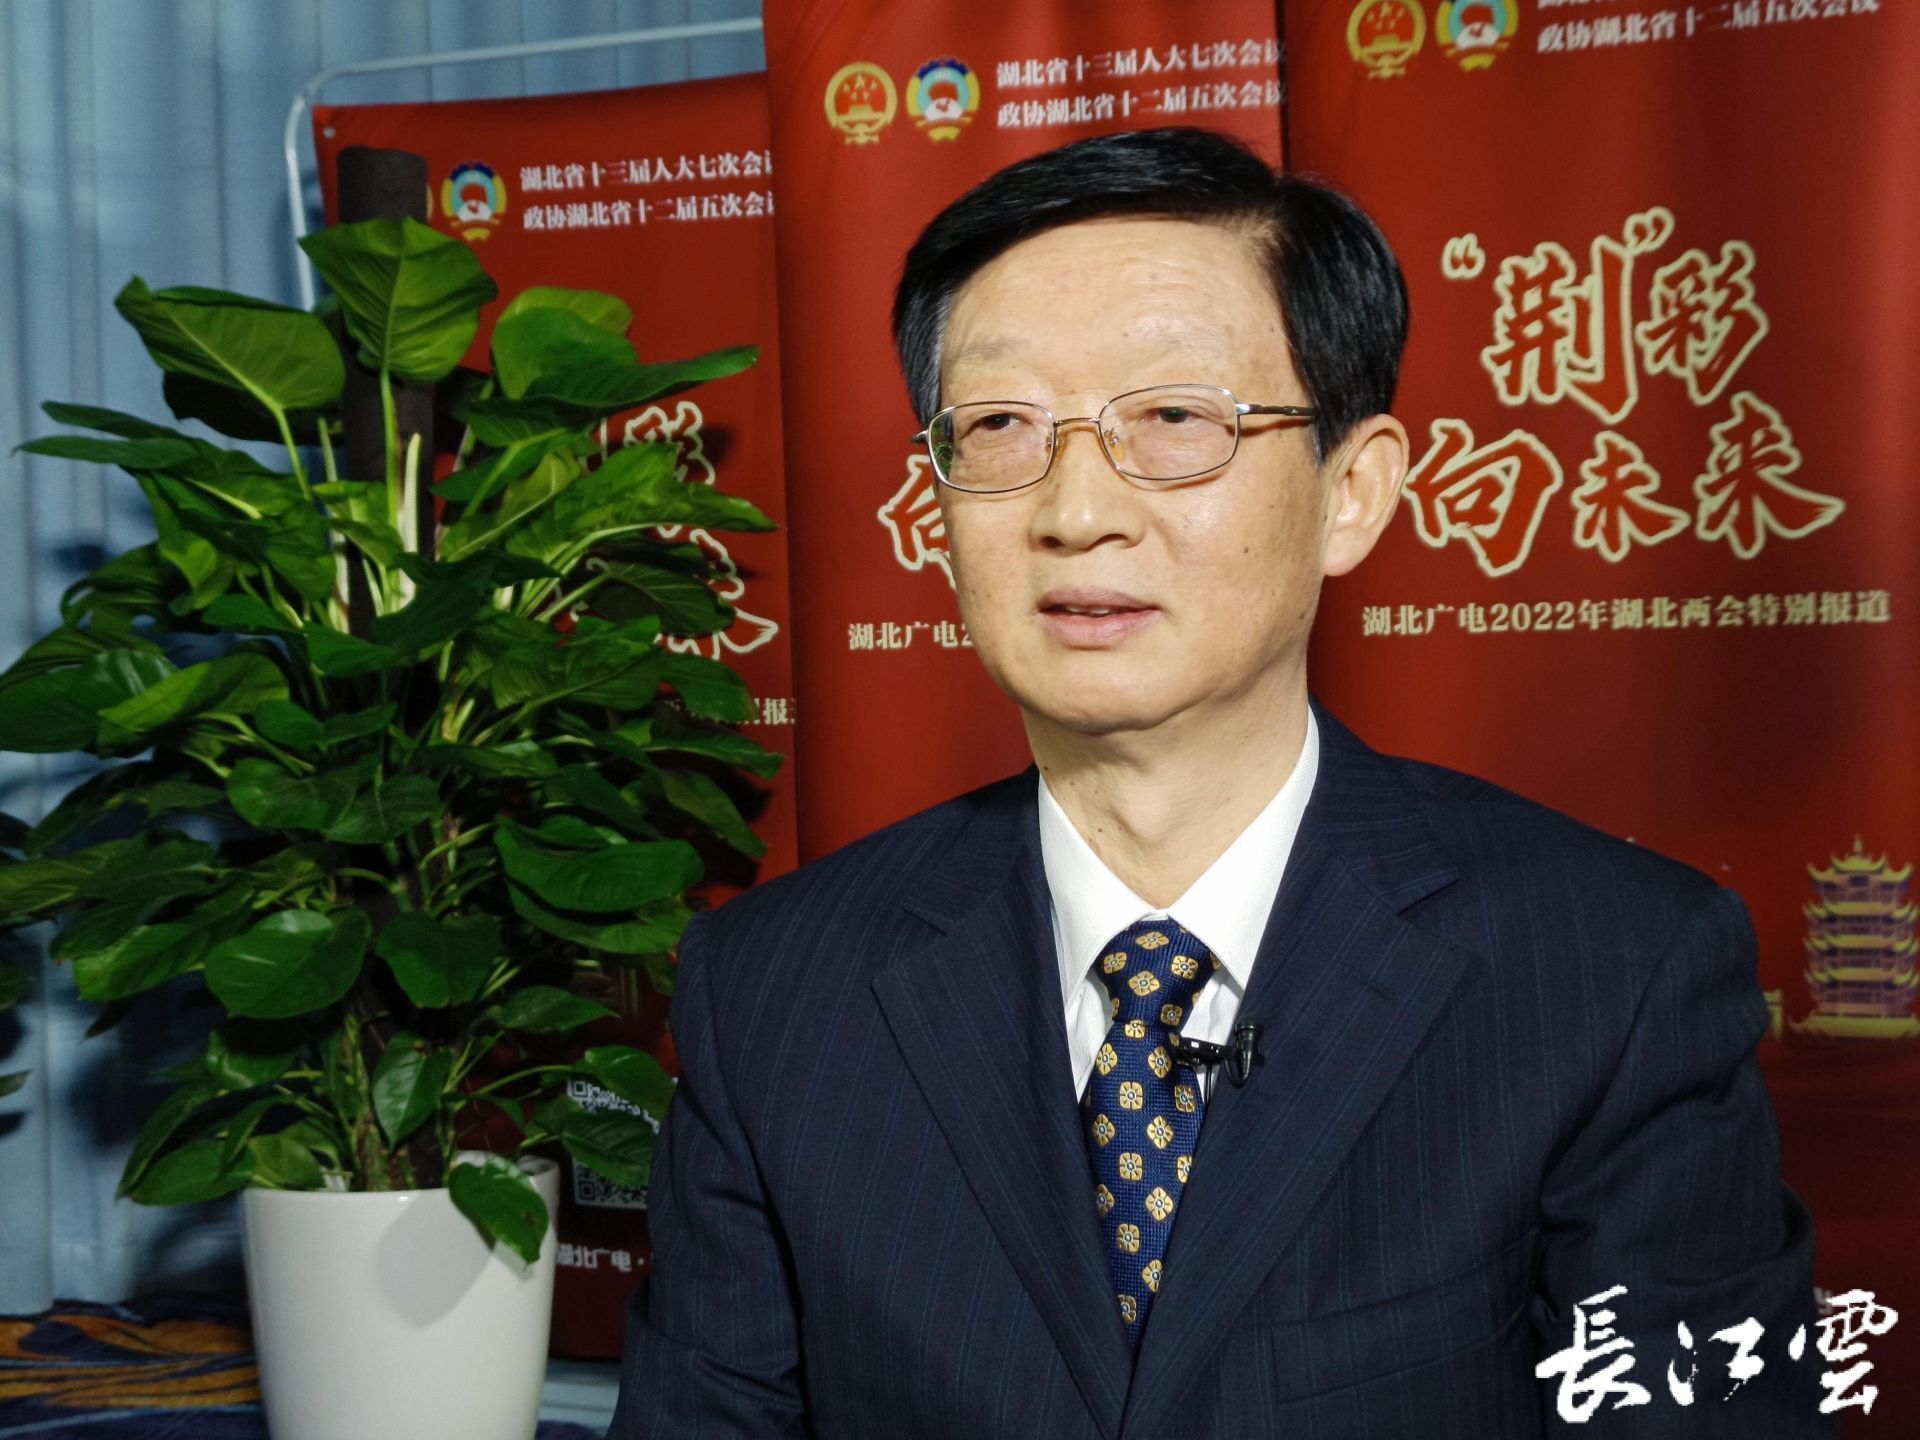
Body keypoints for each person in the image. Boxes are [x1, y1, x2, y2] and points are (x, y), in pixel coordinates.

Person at [608, 127, 1825, 1439]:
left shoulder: (1610, 972)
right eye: (1002, 427)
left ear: (1352, 491)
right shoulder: (776, 991)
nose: (1077, 510)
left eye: (1176, 420)